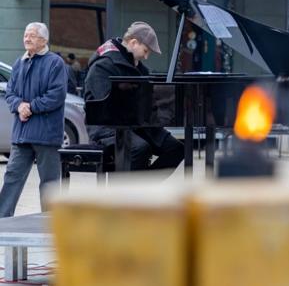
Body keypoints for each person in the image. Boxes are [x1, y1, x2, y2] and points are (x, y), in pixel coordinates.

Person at [83, 22, 184, 175]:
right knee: (140, 148)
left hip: (137, 125)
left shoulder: (139, 68)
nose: (146, 56)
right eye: (146, 50)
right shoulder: (103, 65)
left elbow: (148, 103)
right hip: (107, 128)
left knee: (177, 148)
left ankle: (144, 188)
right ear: (133, 42)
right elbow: (99, 108)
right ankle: (126, 194)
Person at [0, 23, 67, 217]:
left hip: (46, 134)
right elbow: (10, 92)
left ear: (44, 40)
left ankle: (50, 225)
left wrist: (31, 107)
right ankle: (3, 221)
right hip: (22, 134)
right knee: (12, 177)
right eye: (26, 34)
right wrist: (19, 105)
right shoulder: (19, 63)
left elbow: (57, 95)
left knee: (50, 183)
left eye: (32, 35)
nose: (27, 38)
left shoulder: (55, 63)